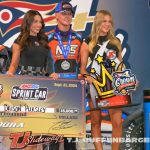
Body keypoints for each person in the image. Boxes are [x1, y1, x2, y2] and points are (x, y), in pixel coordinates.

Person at [80, 10, 125, 150]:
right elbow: (82, 70)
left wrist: (128, 80)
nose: (107, 24)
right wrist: (90, 79)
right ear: (98, 22)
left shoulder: (116, 42)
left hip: (114, 87)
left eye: (109, 21)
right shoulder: (88, 42)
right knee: (95, 122)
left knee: (117, 122)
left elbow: (120, 67)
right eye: (104, 21)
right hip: (95, 88)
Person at [7, 9, 50, 150]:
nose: (39, 24)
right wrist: (9, 75)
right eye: (35, 21)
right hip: (26, 86)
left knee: (37, 131)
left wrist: (51, 74)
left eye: (40, 22)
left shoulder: (44, 40)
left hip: (43, 86)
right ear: (28, 22)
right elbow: (14, 64)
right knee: (25, 128)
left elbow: (47, 63)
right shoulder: (20, 40)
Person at [45, 1, 82, 150]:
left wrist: (81, 76)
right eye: (64, 13)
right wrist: (49, 73)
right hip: (54, 89)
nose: (67, 16)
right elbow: (43, 62)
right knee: (53, 133)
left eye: (70, 14)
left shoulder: (79, 38)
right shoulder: (47, 38)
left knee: (70, 135)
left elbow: (83, 65)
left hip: (72, 89)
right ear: (56, 15)